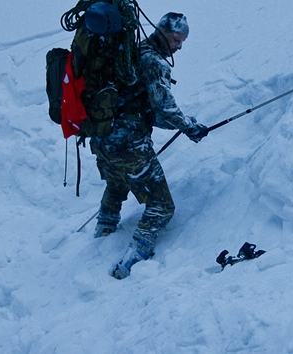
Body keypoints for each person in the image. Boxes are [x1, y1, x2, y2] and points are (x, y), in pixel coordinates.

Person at [84, 12, 208, 279]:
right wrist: (188, 126)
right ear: (162, 32)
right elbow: (163, 105)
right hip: (130, 145)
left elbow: (145, 108)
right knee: (161, 206)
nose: (179, 46)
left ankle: (101, 235)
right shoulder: (154, 62)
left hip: (102, 138)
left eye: (183, 40)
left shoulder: (132, 52)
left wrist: (183, 124)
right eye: (177, 39)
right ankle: (132, 261)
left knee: (116, 186)